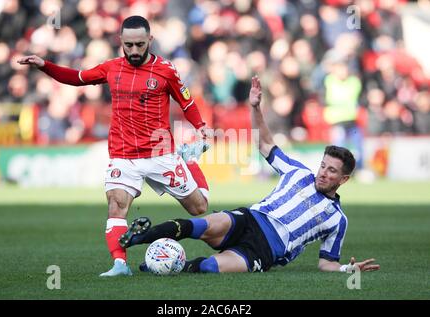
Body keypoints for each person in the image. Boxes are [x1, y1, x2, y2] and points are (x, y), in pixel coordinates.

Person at [120, 76, 380, 274]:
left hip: (266, 250)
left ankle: (166, 267)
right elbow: (265, 144)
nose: (323, 173)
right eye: (323, 165)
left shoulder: (337, 220)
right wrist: (255, 107)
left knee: (211, 268)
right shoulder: (298, 172)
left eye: (332, 171)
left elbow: (327, 262)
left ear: (343, 180)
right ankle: (139, 237)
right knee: (201, 225)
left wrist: (348, 269)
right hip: (251, 219)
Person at [18, 16, 211, 277]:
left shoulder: (166, 70)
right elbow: (77, 78)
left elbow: (186, 102)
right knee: (116, 204)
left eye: (139, 45)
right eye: (128, 45)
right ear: (120, 41)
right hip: (123, 156)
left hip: (160, 154)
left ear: (150, 41)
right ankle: (120, 264)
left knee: (199, 208)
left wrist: (201, 127)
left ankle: (189, 163)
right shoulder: (111, 68)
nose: (133, 51)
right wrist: (45, 66)